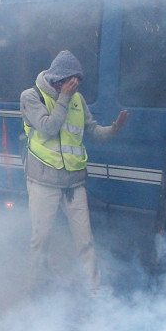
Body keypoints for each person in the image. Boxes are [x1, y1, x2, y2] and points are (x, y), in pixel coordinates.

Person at [20, 50, 129, 296]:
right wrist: (64, 99)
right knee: (41, 239)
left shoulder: (77, 99)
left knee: (85, 239)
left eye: (77, 82)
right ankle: (36, 287)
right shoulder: (31, 96)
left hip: (74, 182)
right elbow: (48, 128)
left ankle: (94, 287)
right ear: (57, 78)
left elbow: (92, 131)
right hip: (43, 181)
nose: (74, 86)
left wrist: (113, 130)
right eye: (70, 81)